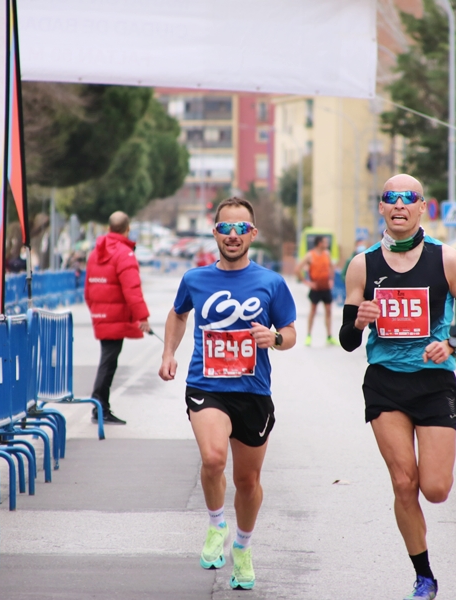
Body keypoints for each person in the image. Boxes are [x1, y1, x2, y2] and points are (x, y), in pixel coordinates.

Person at [339, 174, 456, 600]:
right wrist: (359, 320)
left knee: (435, 489)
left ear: (423, 206)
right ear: (382, 208)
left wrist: (452, 343)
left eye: (409, 198)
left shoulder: (447, 260)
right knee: (404, 483)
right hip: (386, 384)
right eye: (391, 198)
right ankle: (423, 575)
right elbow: (348, 341)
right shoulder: (363, 264)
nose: (400, 205)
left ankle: (424, 565)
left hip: (434, 384)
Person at [158, 197, 297, 591]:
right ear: (214, 231)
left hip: (253, 391)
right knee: (213, 458)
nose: (232, 236)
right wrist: (169, 353)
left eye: (241, 229)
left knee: (248, 481)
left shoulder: (271, 282)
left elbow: (289, 334)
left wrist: (273, 337)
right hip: (207, 385)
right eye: (225, 228)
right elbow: (178, 312)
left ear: (252, 234)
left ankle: (243, 548)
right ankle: (217, 523)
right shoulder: (195, 279)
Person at [85, 211, 151, 425]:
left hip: (101, 313)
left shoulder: (96, 252)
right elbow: (132, 289)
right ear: (127, 228)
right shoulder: (124, 254)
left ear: (109, 228)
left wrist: (96, 310)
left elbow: (88, 289)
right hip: (115, 315)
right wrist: (143, 318)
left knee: (108, 359)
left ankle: (100, 405)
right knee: (108, 361)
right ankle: (100, 406)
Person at [295, 235, 335, 346]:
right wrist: (307, 282)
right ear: (319, 243)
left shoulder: (327, 254)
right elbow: (297, 269)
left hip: (326, 287)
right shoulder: (310, 255)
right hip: (316, 288)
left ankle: (329, 336)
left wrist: (331, 280)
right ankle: (308, 336)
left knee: (329, 311)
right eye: (325, 242)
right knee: (313, 311)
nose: (326, 244)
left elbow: (331, 267)